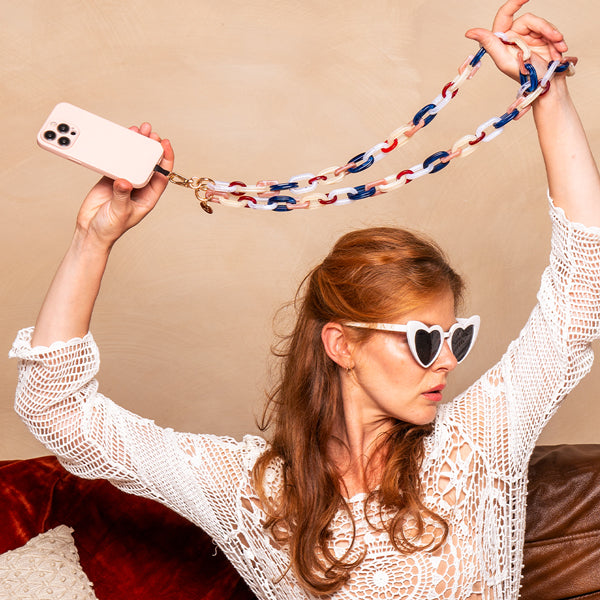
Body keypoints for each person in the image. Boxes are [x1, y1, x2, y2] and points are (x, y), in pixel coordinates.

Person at [10, 1, 600, 598]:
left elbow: (581, 292)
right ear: (342, 344)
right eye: (425, 341)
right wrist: (94, 237)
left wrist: (546, 93)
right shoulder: (252, 490)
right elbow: (56, 410)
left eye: (457, 337)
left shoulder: (478, 443)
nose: (447, 360)